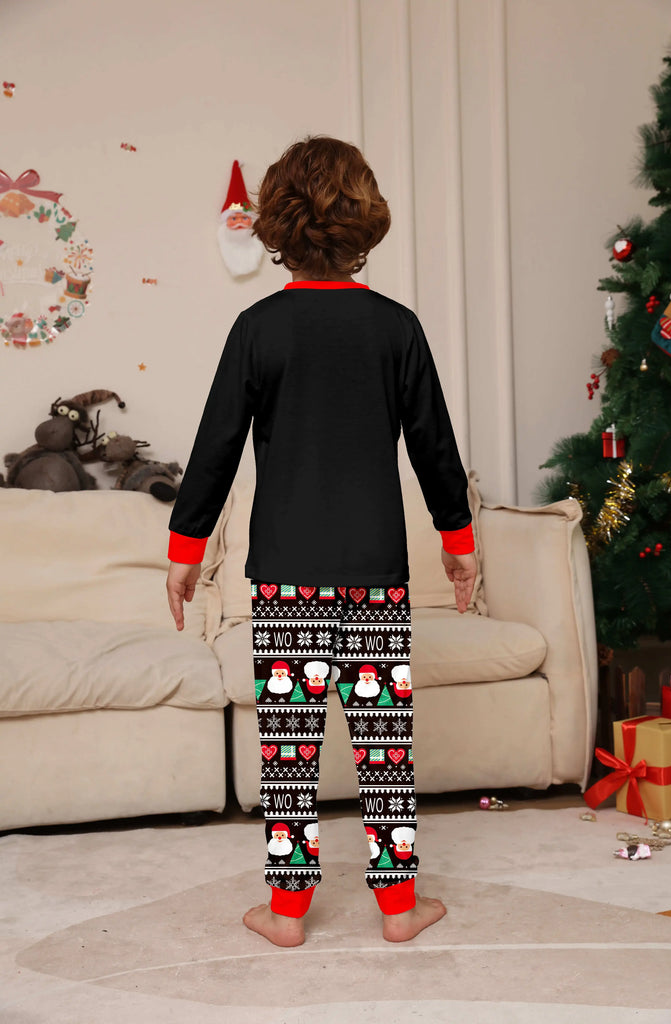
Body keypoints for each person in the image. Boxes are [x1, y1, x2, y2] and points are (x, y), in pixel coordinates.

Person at [165, 134, 478, 948]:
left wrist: (185, 555)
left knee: (290, 753)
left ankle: (289, 914)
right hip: (374, 572)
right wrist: (460, 542)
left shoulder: (258, 328)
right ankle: (399, 910)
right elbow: (434, 449)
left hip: (287, 577)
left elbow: (214, 449)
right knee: (384, 749)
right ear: (364, 219)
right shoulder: (396, 329)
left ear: (278, 224)